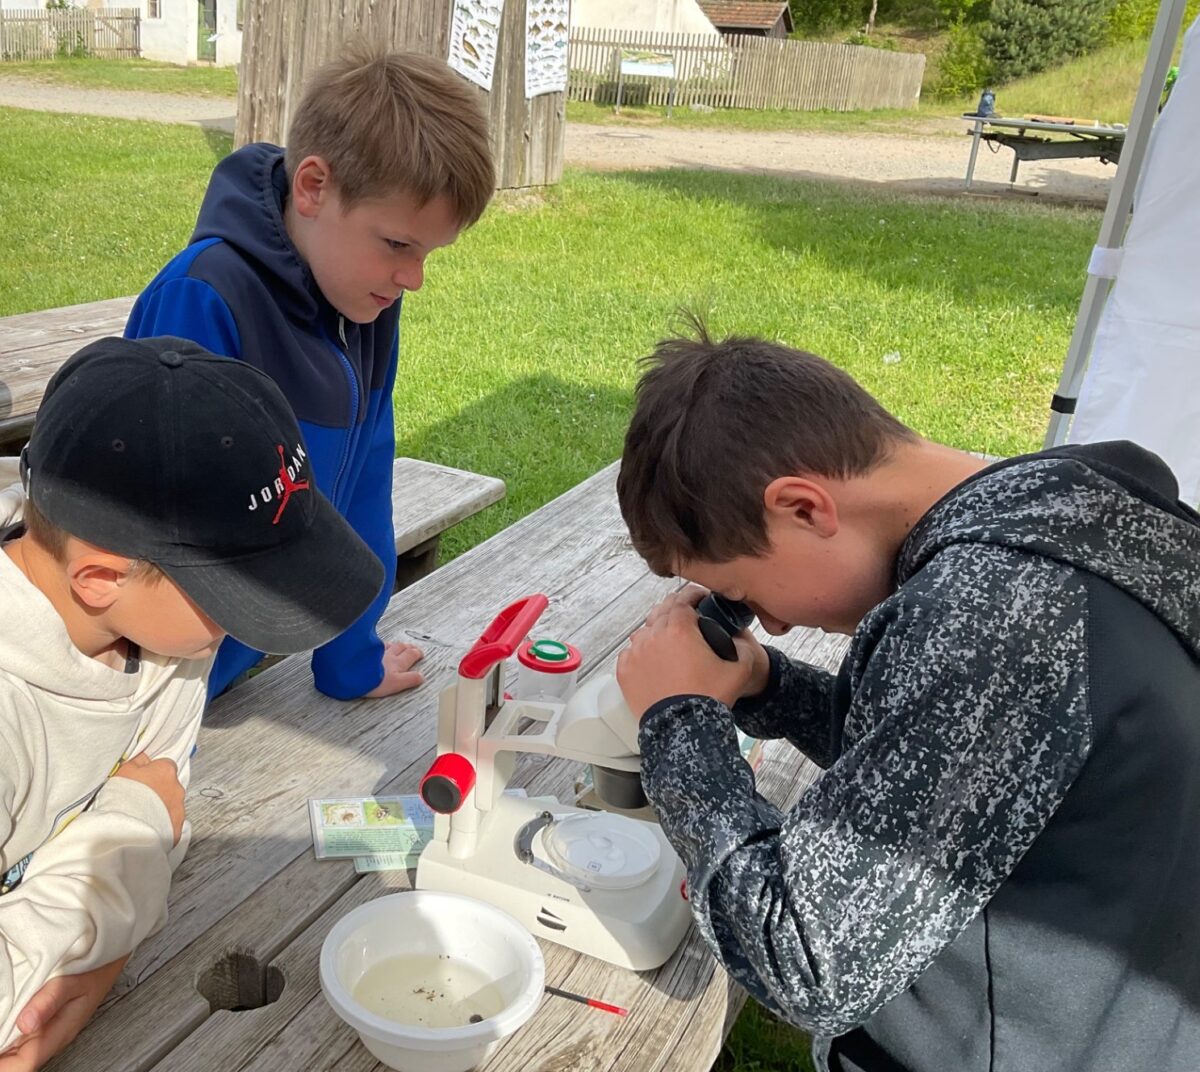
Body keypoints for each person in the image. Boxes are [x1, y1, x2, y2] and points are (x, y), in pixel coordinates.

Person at [614, 328, 1200, 1071]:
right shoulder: (1072, 514)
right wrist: (770, 686)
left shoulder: (990, 617)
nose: (776, 619)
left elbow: (809, 964)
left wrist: (679, 725)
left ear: (802, 506)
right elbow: (956, 777)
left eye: (743, 591)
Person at [0, 336, 384, 1069]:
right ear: (100, 579)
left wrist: (94, 964)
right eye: (229, 596)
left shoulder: (163, 635)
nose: (240, 624)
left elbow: (167, 790)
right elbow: (157, 809)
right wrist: (134, 819)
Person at [125, 42, 495, 701]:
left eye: (429, 253)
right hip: (134, 689)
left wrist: (350, 662)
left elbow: (360, 493)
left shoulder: (366, 306)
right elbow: (133, 532)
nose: (413, 279)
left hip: (224, 673)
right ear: (315, 186)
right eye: (398, 245)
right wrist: (150, 714)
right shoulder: (202, 301)